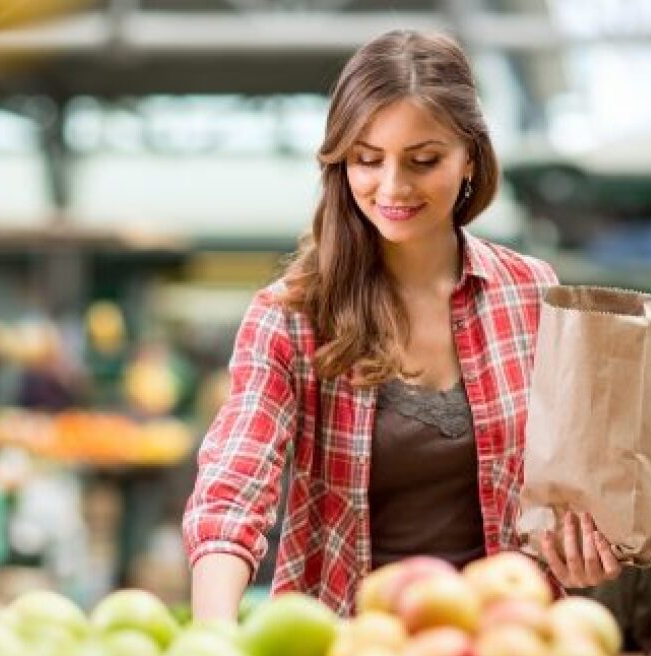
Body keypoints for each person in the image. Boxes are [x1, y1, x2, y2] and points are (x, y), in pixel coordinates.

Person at [182, 30, 622, 620]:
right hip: (351, 637)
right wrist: (213, 630)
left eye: (423, 160)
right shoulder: (291, 315)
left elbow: (574, 489)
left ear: (470, 157)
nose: (392, 187)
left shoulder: (531, 293)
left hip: (505, 633)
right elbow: (234, 484)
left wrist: (585, 549)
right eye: (367, 160)